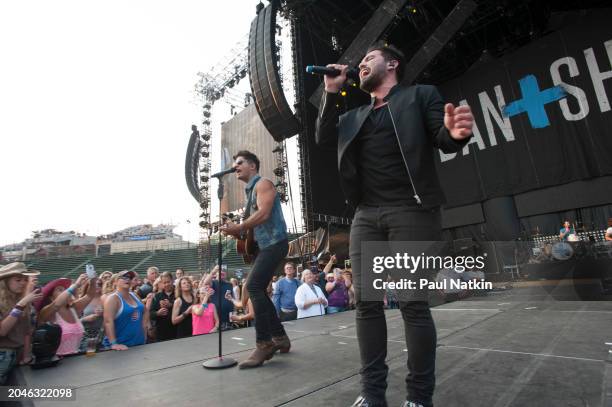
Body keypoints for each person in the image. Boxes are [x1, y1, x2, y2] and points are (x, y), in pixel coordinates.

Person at [316, 41, 473, 407]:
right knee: (367, 305)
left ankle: (419, 398)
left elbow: (443, 137)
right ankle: (373, 395)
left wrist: (455, 133)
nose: (363, 64)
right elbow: (324, 136)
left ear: (392, 63)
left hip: (412, 211)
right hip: (366, 215)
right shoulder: (355, 116)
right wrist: (331, 91)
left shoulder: (419, 96)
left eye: (370, 58)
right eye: (362, 61)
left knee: (412, 304)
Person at [220, 150, 291, 368]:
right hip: (265, 246)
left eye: (240, 163)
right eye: (234, 163)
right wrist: (236, 232)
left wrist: (240, 226)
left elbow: (264, 213)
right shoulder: (249, 193)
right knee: (257, 289)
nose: (235, 167)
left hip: (275, 244)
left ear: (252, 166)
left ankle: (264, 343)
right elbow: (252, 228)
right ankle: (280, 338)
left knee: (253, 286)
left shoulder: (263, 184)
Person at [0, 263, 42, 383]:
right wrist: (21, 305)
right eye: (18, 280)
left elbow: (26, 331)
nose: (23, 283)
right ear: (5, 281)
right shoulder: (20, 302)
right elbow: (2, 331)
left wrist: (26, 356)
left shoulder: (20, 299)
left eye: (25, 279)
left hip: (16, 356)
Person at [37, 274, 96, 356]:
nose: (66, 292)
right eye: (60, 290)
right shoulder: (47, 311)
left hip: (76, 359)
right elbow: (56, 305)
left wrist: (93, 280)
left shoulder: (73, 308)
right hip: (57, 362)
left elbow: (90, 295)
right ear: (51, 297)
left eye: (66, 289)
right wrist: (75, 285)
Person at [102, 270, 147, 350]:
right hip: (121, 348)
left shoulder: (134, 295)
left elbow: (145, 311)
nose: (127, 279)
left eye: (129, 278)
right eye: (123, 277)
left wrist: (144, 332)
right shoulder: (113, 298)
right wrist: (114, 344)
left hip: (138, 344)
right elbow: (108, 322)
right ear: (115, 282)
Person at [78, 278, 104, 352]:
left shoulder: (106, 298)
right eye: (94, 285)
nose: (97, 286)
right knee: (88, 359)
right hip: (87, 335)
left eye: (99, 284)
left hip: (103, 335)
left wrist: (104, 312)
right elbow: (73, 322)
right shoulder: (82, 300)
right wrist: (85, 319)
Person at [149, 272, 176, 341]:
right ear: (161, 283)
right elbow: (150, 314)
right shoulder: (157, 296)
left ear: (172, 280)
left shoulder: (179, 293)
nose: (166, 284)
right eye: (164, 282)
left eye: (168, 282)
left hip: (178, 332)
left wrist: (171, 305)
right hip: (161, 333)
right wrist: (157, 313)